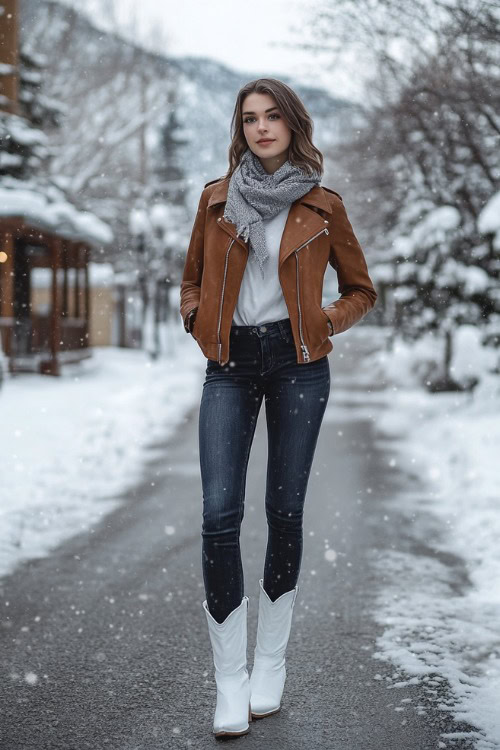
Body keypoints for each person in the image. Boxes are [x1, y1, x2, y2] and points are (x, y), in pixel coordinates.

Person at [179, 78, 377, 738]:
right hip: (229, 365)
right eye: (250, 118)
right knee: (218, 515)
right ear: (241, 129)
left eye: (272, 116)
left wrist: (324, 320)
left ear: (292, 124)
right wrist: (195, 317)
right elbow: (193, 280)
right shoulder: (215, 200)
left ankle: (271, 666)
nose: (261, 127)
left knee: (285, 511)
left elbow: (361, 289)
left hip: (298, 364)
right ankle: (229, 681)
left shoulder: (323, 205)